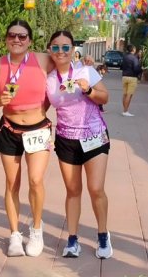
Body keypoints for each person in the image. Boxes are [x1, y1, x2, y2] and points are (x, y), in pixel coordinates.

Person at [0, 19, 54, 257]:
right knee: (12, 184)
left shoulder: (43, 60)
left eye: (22, 36)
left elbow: (66, 67)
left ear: (30, 41)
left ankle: (36, 229)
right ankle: (14, 235)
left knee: (35, 181)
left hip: (38, 129)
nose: (17, 40)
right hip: (10, 129)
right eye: (12, 35)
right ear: (6, 39)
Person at [46, 31, 113, 259]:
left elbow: (105, 97)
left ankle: (103, 235)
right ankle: (73, 239)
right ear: (49, 51)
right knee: (73, 190)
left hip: (94, 136)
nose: (61, 52)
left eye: (66, 47)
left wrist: (88, 90)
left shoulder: (86, 71)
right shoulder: (49, 80)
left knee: (95, 188)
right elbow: (41, 107)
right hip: (66, 139)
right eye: (55, 47)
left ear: (73, 49)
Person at [121, 45, 142, 117]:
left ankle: (124, 110)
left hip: (124, 77)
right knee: (129, 95)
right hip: (132, 78)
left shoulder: (124, 57)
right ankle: (125, 111)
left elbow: (121, 66)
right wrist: (141, 70)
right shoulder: (134, 58)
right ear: (133, 49)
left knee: (125, 94)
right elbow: (136, 69)